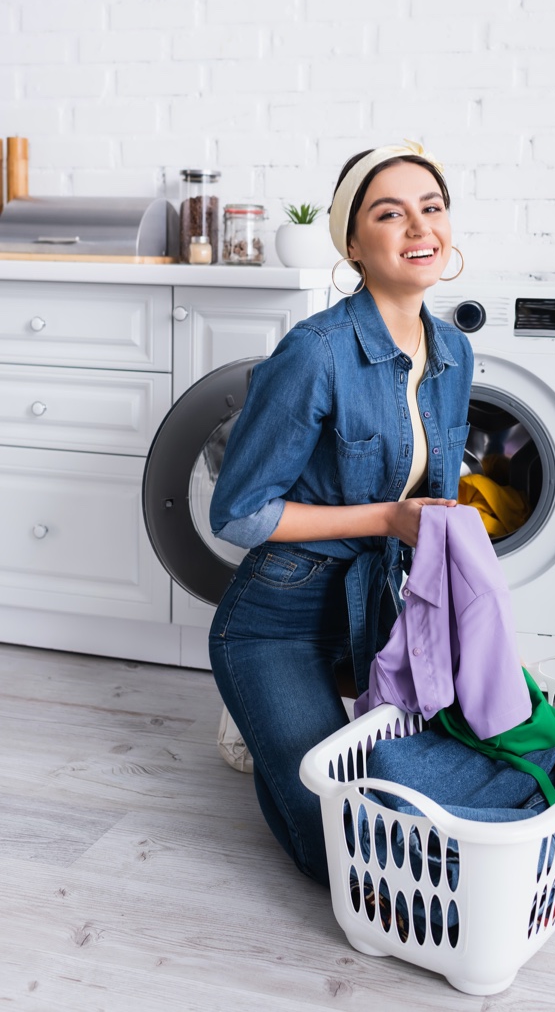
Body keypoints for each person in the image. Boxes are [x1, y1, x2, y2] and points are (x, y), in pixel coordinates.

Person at [207, 141, 473, 885]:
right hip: (277, 620)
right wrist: (389, 519)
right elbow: (237, 515)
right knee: (349, 856)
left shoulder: (453, 350)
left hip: (378, 611)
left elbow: (430, 498)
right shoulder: (316, 352)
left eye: (433, 207)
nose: (420, 227)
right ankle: (263, 703)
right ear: (353, 244)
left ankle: (300, 712)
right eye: (391, 213)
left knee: (452, 797)